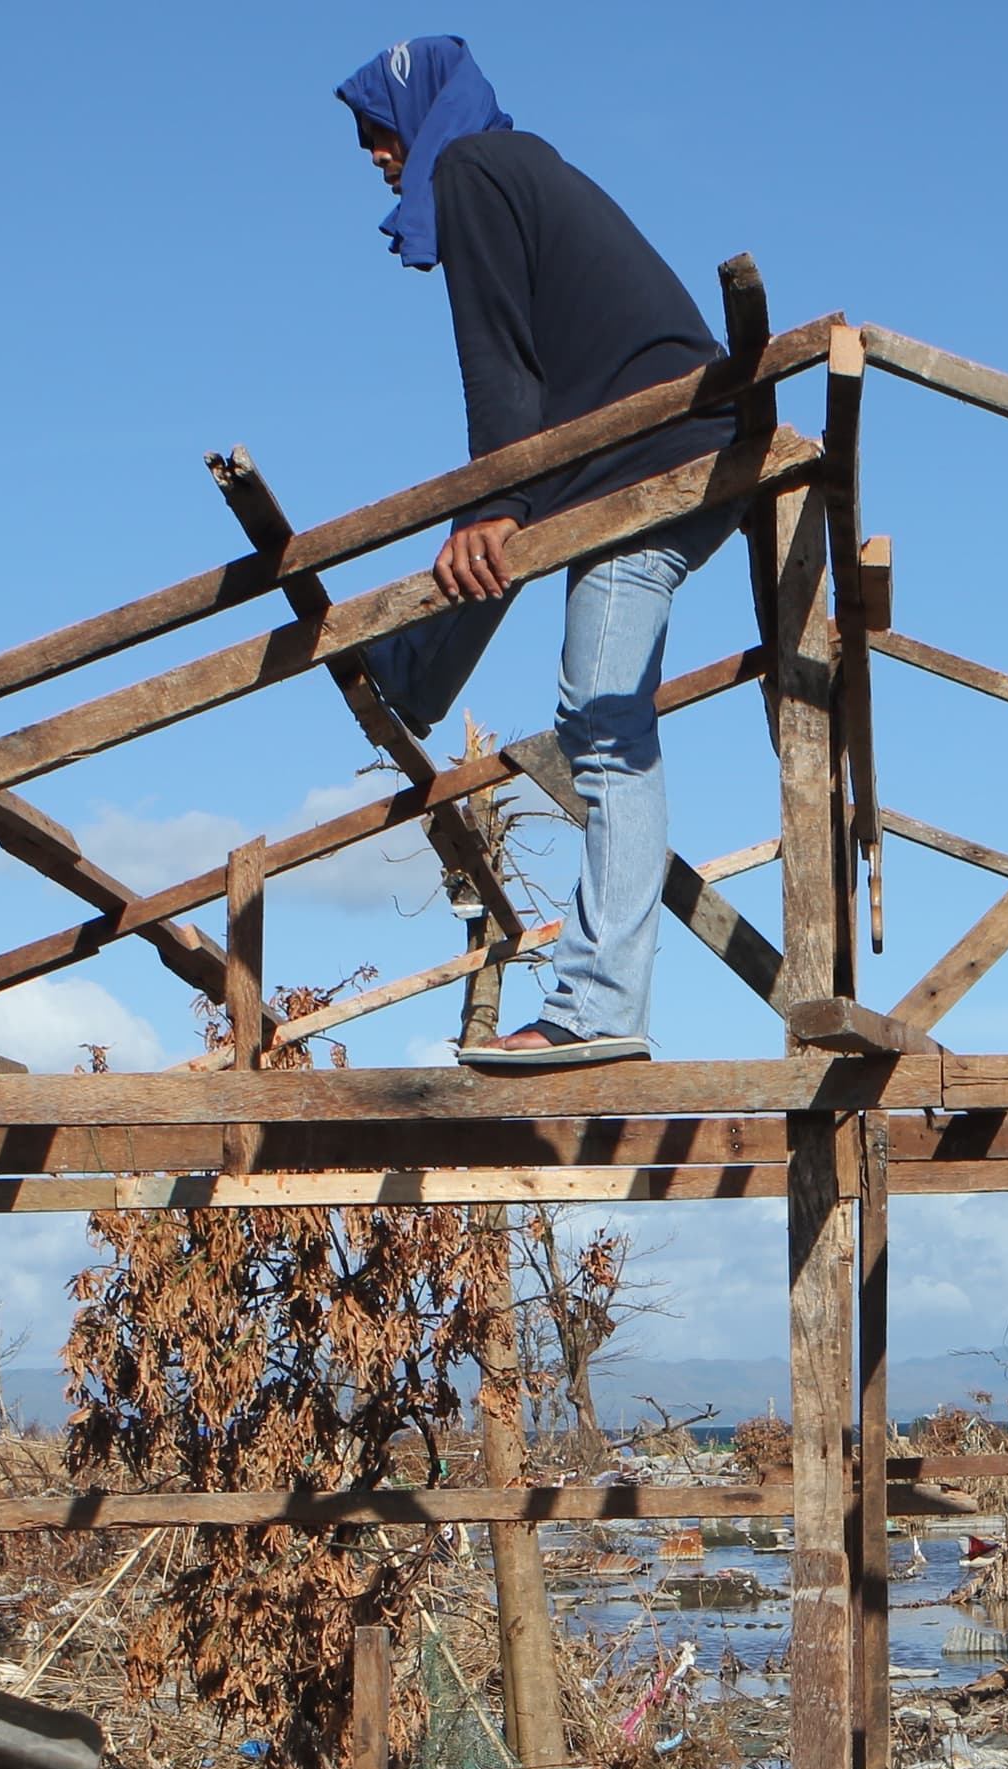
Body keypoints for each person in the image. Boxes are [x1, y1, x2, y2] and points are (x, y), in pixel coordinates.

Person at [337, 37, 740, 1070]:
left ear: (419, 114)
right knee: (499, 543)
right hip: (655, 444)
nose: (379, 157)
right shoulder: (520, 166)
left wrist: (498, 497)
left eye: (379, 131)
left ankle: (599, 1005)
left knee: (601, 722)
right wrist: (504, 505)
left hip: (650, 457)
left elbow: (501, 361)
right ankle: (407, 674)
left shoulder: (469, 169)